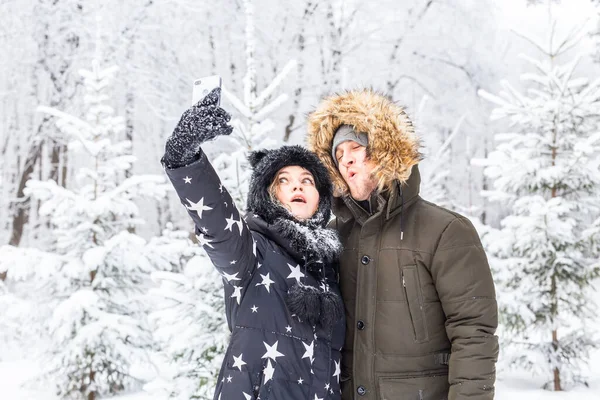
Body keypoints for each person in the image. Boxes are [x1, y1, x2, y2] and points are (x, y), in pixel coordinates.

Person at [306, 89, 499, 400]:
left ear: (385, 151)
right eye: (338, 156)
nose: (347, 160)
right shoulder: (333, 238)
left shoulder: (446, 231)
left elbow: (474, 333)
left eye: (356, 148)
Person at [161, 88, 346, 400]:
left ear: (322, 199)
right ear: (268, 195)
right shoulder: (252, 251)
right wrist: (185, 159)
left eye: (308, 180)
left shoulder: (334, 271)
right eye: (283, 180)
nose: (297, 184)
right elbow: (218, 226)